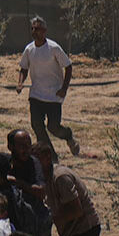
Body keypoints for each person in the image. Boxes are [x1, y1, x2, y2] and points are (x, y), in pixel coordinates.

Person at [18, 15, 80, 158]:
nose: (34, 31)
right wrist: (20, 82)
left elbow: (68, 67)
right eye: (32, 28)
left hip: (54, 95)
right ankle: (50, 156)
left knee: (53, 128)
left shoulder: (54, 48)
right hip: (36, 95)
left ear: (44, 31)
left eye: (37, 29)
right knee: (37, 125)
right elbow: (23, 68)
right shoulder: (29, 49)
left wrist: (64, 89)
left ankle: (68, 135)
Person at [7, 129, 53, 236]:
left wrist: (16, 182)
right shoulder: (6, 163)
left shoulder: (34, 163)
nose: (25, 149)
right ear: (10, 147)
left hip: (36, 224)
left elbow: (40, 192)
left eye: (28, 145)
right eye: (21, 146)